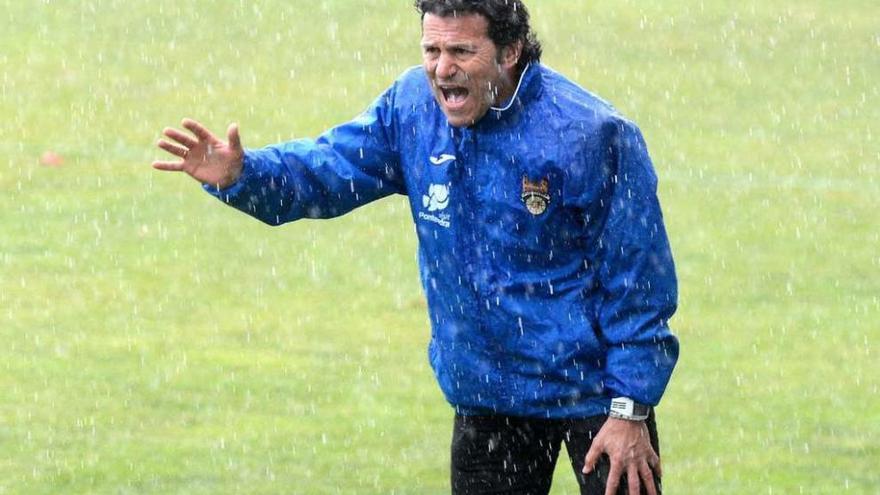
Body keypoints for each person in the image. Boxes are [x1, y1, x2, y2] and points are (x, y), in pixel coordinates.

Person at [153, 1, 679, 494]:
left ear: (511, 51)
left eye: (461, 52)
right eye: (432, 51)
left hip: (598, 398)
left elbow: (639, 281)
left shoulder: (592, 134)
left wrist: (630, 407)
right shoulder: (411, 109)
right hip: (487, 396)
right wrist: (245, 175)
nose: (442, 69)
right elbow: (327, 170)